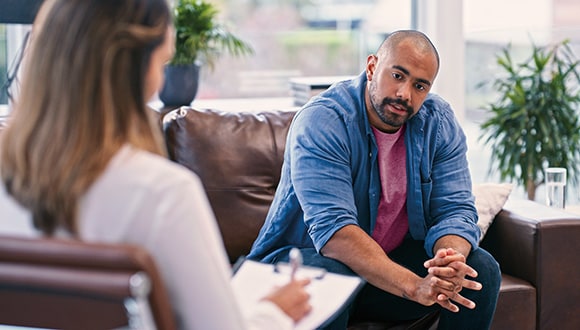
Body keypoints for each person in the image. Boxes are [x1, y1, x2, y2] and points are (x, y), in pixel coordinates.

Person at [0, 0, 312, 329]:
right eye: (163, 64)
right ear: (135, 70)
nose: (161, 81)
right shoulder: (163, 193)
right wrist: (273, 312)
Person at [248, 30, 501, 329]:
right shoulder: (323, 121)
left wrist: (449, 262)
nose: (405, 94)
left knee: (478, 269)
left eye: (419, 86)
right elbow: (336, 234)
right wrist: (414, 286)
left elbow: (455, 210)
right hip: (301, 268)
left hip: (383, 272)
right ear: (371, 67)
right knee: (327, 274)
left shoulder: (438, 122)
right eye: (397, 75)